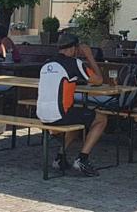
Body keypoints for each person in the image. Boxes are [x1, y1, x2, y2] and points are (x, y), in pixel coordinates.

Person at [37, 32, 109, 176]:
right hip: (60, 114)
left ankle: (60, 158)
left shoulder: (47, 63)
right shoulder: (74, 63)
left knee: (76, 121)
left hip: (42, 114)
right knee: (101, 119)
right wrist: (89, 56)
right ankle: (82, 159)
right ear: (74, 49)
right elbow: (99, 80)